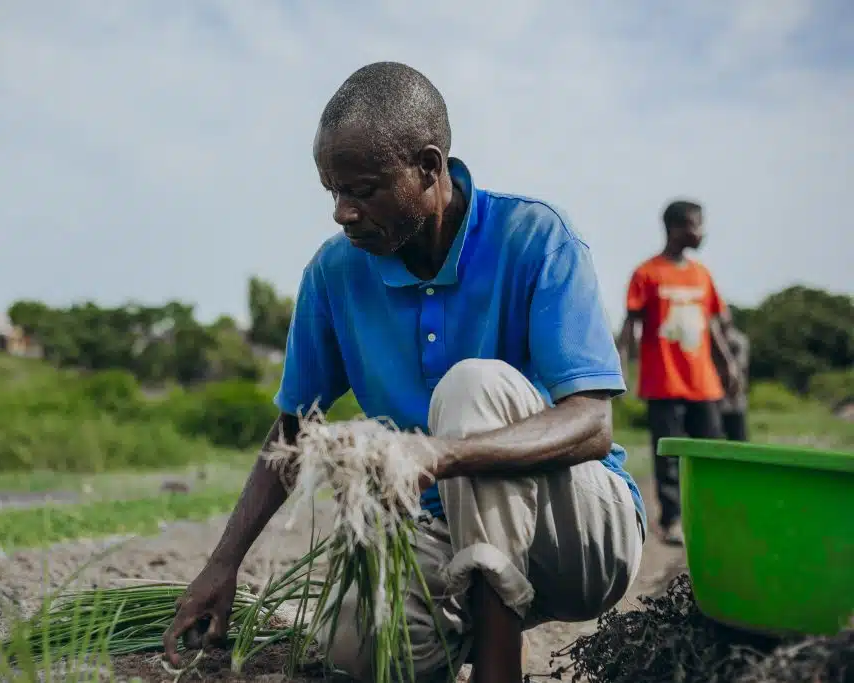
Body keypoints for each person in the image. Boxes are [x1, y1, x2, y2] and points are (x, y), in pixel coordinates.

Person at [164, 61, 646, 683]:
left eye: (363, 190)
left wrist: (440, 454)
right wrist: (221, 565)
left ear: (428, 166)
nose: (343, 212)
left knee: (475, 387)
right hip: (445, 531)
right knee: (354, 647)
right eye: (332, 192)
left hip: (579, 536)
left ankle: (500, 667)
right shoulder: (335, 275)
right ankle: (466, 623)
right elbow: (292, 431)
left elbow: (592, 424)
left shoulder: (535, 237)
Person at [617, 199, 739, 547]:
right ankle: (671, 520)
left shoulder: (702, 274)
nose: (701, 232)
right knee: (667, 455)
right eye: (695, 225)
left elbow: (712, 324)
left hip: (703, 381)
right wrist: (622, 367)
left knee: (711, 453)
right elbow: (630, 326)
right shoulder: (647, 273)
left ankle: (713, 517)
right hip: (663, 380)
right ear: (676, 228)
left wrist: (727, 362)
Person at [714, 323, 750, 441]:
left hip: (733, 398)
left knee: (739, 441)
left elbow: (739, 369)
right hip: (714, 398)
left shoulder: (738, 341)